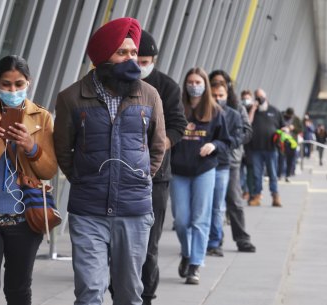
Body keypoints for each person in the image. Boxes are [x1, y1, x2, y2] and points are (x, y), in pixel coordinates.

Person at [53, 17, 166, 304]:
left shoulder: (149, 95)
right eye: (122, 53)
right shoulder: (71, 98)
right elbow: (63, 149)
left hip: (134, 210)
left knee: (129, 292)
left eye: (133, 53)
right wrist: (83, 179)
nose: (131, 59)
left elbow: (157, 146)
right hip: (88, 210)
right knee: (90, 290)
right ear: (104, 57)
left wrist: (140, 178)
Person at [0, 55, 58, 305]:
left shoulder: (42, 117)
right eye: (6, 84)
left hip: (25, 218)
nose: (13, 90)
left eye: (19, 84)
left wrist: (30, 146)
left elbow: (49, 170)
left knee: (18, 290)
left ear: (29, 83)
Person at [136, 29, 187, 305]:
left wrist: (159, 145)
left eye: (146, 60)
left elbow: (179, 125)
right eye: (137, 59)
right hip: (121, 175)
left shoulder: (166, 86)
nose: (141, 65)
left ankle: (147, 295)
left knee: (149, 243)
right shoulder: (117, 83)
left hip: (156, 176)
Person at [171, 67, 231, 285]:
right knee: (181, 221)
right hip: (179, 171)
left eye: (198, 82)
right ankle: (187, 253)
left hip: (204, 170)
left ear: (205, 85)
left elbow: (226, 141)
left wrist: (213, 145)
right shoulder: (177, 109)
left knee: (200, 219)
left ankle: (195, 264)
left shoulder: (215, 112)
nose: (194, 85)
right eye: (191, 81)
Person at [209, 72, 256, 254]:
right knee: (212, 203)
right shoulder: (205, 106)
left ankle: (242, 239)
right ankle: (214, 240)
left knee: (234, 201)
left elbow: (247, 131)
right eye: (215, 83)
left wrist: (230, 142)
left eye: (223, 84)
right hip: (208, 160)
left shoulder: (236, 108)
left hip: (232, 161)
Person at [246, 89, 284, 207]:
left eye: (261, 97)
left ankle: (275, 196)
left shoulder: (275, 111)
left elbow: (283, 126)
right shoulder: (251, 110)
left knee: (272, 173)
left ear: (266, 97)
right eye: (257, 97)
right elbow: (247, 123)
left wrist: (282, 134)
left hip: (271, 148)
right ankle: (257, 196)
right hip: (255, 148)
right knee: (257, 174)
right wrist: (252, 109)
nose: (260, 99)